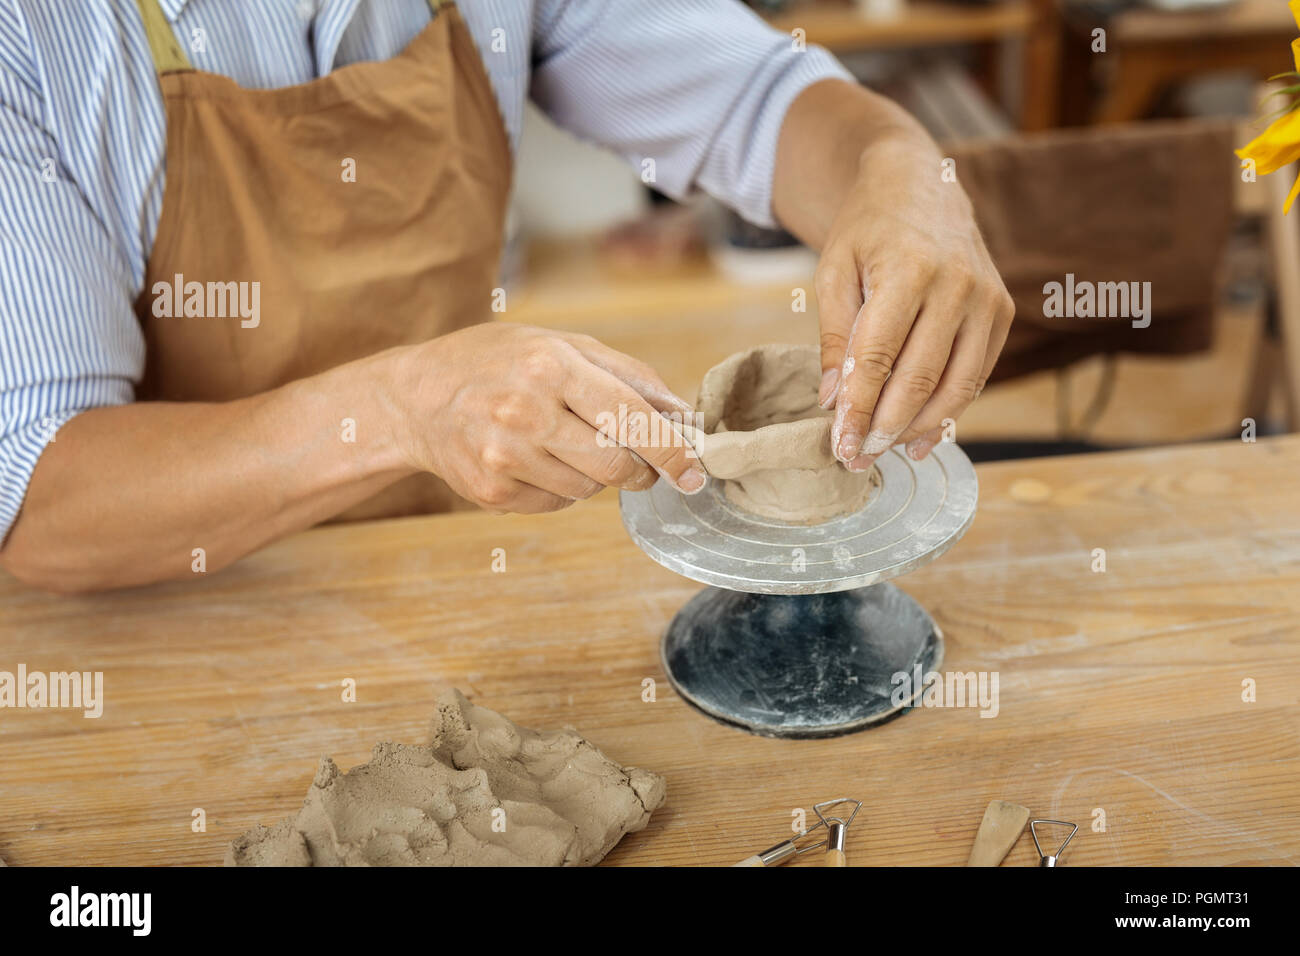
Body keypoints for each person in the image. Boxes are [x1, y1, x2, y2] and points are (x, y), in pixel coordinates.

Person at [0, 0, 1012, 592]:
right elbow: (33, 490)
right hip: (169, 601)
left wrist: (897, 168)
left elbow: (753, 98)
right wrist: (395, 410)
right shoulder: (33, 37)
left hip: (445, 543)